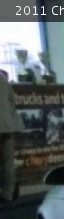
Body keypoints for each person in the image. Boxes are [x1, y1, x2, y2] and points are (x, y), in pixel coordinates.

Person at [0, 69, 23, 205]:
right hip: (7, 126)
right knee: (8, 162)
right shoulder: (3, 78)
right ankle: (8, 194)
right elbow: (12, 102)